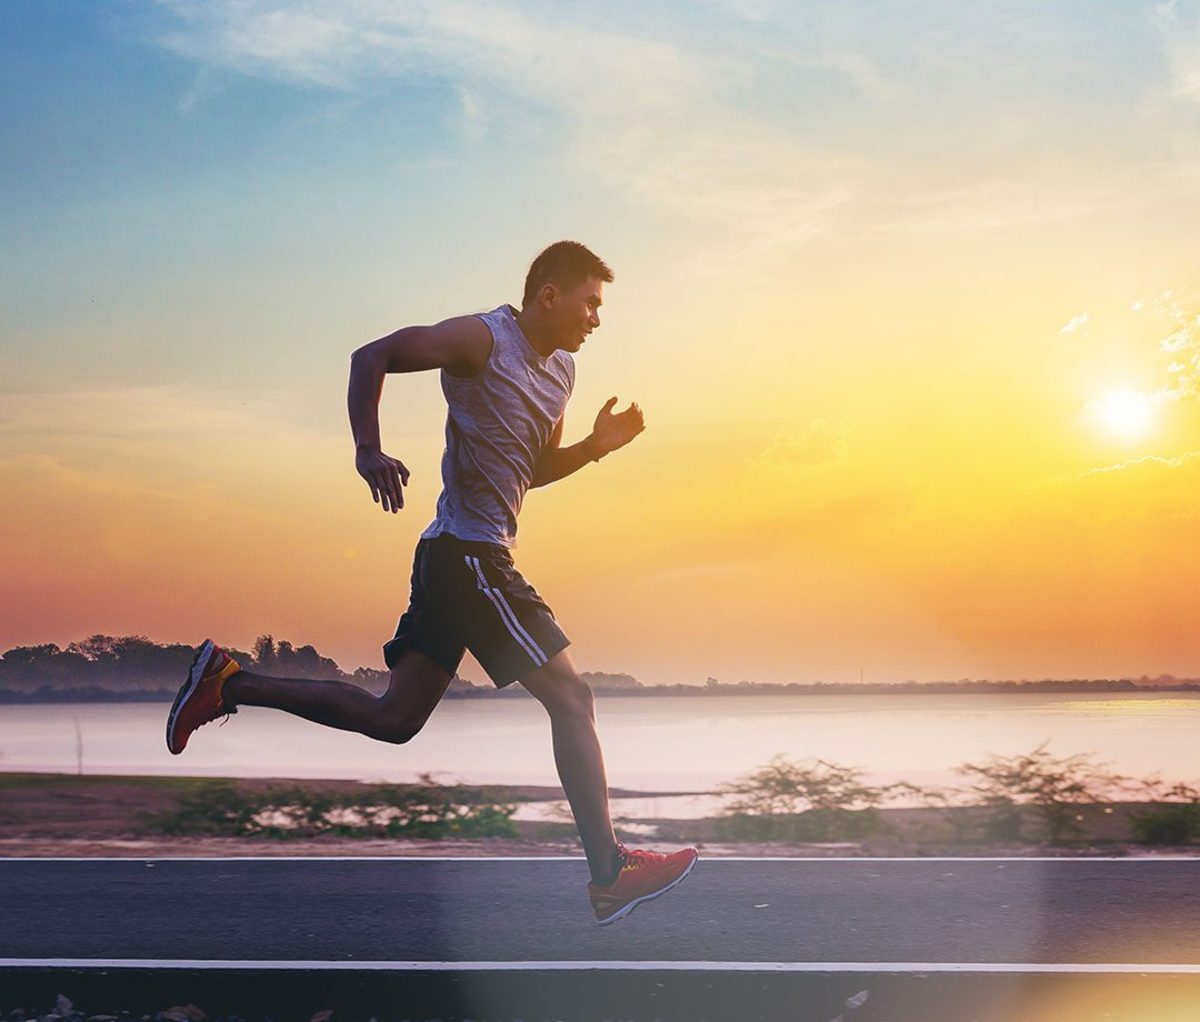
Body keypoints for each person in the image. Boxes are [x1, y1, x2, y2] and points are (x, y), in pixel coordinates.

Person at [166, 241, 697, 924]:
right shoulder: (481, 339)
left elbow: (527, 471)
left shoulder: (560, 372)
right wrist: (366, 448)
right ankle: (610, 870)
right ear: (549, 296)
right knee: (572, 696)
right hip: (468, 555)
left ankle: (227, 680)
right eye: (591, 302)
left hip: (462, 555)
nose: (597, 319)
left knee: (395, 719)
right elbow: (371, 356)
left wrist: (594, 449)